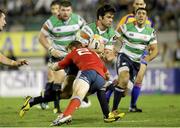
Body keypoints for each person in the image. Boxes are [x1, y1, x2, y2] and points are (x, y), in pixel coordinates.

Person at [50, 41, 124, 126]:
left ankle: (66, 115)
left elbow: (56, 67)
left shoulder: (73, 52)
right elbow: (107, 74)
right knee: (101, 89)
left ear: (72, 48)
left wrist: (51, 66)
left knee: (77, 94)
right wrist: (108, 81)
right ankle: (107, 115)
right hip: (100, 77)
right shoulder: (92, 52)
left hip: (87, 72)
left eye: (69, 50)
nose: (68, 52)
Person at [38, 0, 86, 113]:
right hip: (58, 55)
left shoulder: (78, 19)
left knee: (68, 88)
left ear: (71, 10)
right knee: (57, 81)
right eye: (63, 10)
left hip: (73, 57)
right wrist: (51, 49)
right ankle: (57, 108)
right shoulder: (51, 21)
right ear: (59, 10)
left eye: (68, 10)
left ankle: (44, 98)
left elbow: (86, 32)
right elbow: (41, 37)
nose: (65, 12)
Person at [112, 8, 158, 113]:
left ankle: (111, 87)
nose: (141, 15)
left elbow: (155, 49)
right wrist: (112, 48)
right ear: (135, 16)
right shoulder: (125, 27)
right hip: (124, 56)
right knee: (124, 79)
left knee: (124, 90)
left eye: (143, 14)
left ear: (146, 17)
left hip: (136, 62)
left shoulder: (150, 32)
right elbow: (113, 36)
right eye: (139, 13)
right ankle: (114, 111)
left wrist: (148, 58)